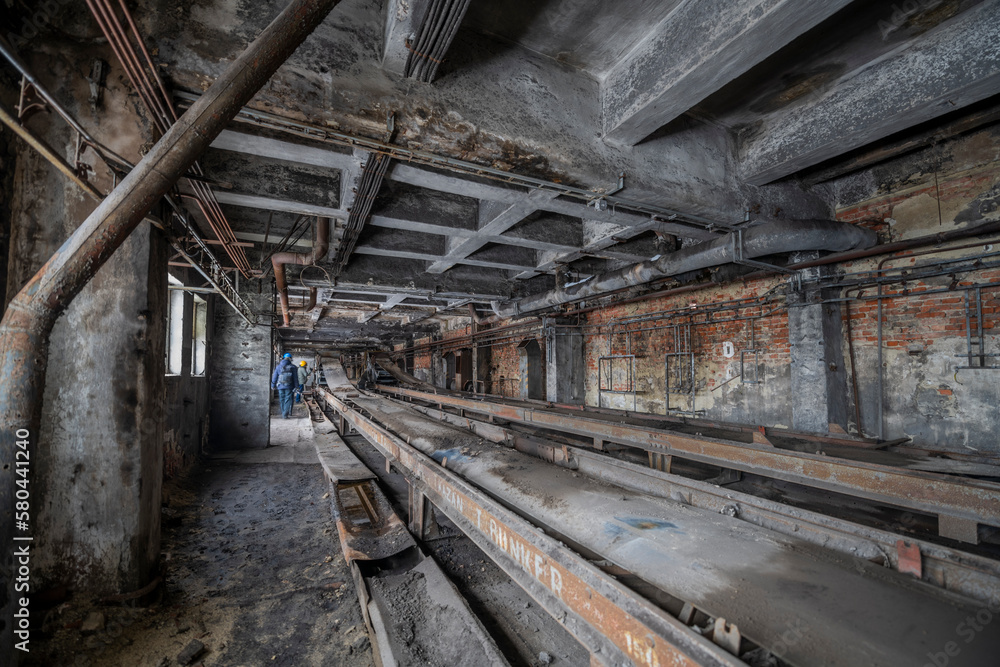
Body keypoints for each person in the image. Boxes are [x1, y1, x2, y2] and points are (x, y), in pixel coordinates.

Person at [271, 353, 296, 419]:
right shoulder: (293, 367)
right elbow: (295, 379)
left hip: (280, 386)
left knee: (281, 399)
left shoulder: (278, 367)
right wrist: (297, 387)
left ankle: (283, 412)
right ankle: (285, 414)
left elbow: (275, 377)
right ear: (290, 359)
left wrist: (273, 385)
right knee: (288, 400)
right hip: (289, 386)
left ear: (283, 358)